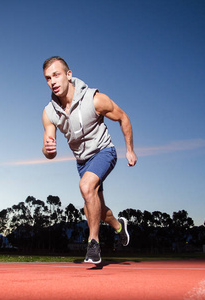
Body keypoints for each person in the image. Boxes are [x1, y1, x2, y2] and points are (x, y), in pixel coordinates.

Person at [41, 56, 137, 263]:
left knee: (86, 187)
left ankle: (93, 243)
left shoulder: (94, 99)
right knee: (97, 209)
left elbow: (123, 117)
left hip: (104, 151)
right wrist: (48, 149)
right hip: (82, 161)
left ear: (68, 75)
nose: (53, 81)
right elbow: (50, 153)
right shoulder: (49, 113)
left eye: (56, 75)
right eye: (48, 78)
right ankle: (119, 226)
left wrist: (129, 150)